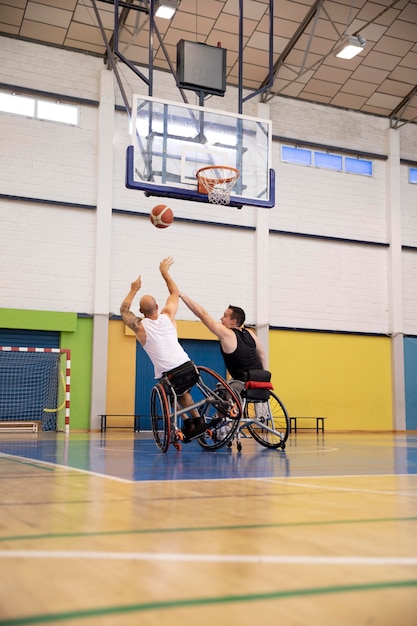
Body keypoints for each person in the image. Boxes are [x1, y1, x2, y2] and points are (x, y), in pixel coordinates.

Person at [120, 257, 206, 439]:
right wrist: (164, 272)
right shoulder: (168, 315)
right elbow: (175, 292)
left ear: (141, 312)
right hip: (189, 367)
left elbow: (124, 311)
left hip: (170, 376)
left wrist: (133, 289)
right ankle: (198, 421)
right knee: (183, 392)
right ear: (157, 307)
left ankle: (186, 420)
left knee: (168, 395)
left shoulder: (140, 326)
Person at [179, 294, 267, 381]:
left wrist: (182, 296)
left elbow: (202, 314)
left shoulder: (228, 334)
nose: (221, 318)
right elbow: (262, 356)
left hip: (244, 385)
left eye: (225, 316)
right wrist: (266, 378)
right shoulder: (250, 333)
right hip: (261, 383)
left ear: (233, 321)